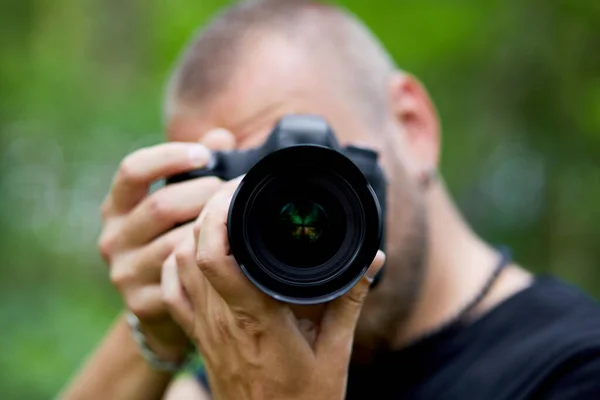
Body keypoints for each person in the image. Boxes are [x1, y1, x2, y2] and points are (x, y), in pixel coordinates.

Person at [61, 0, 600, 399]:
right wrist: (156, 328)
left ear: (412, 129)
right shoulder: (251, 358)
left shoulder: (575, 368)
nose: (275, 224)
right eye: (238, 198)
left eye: (307, 172)